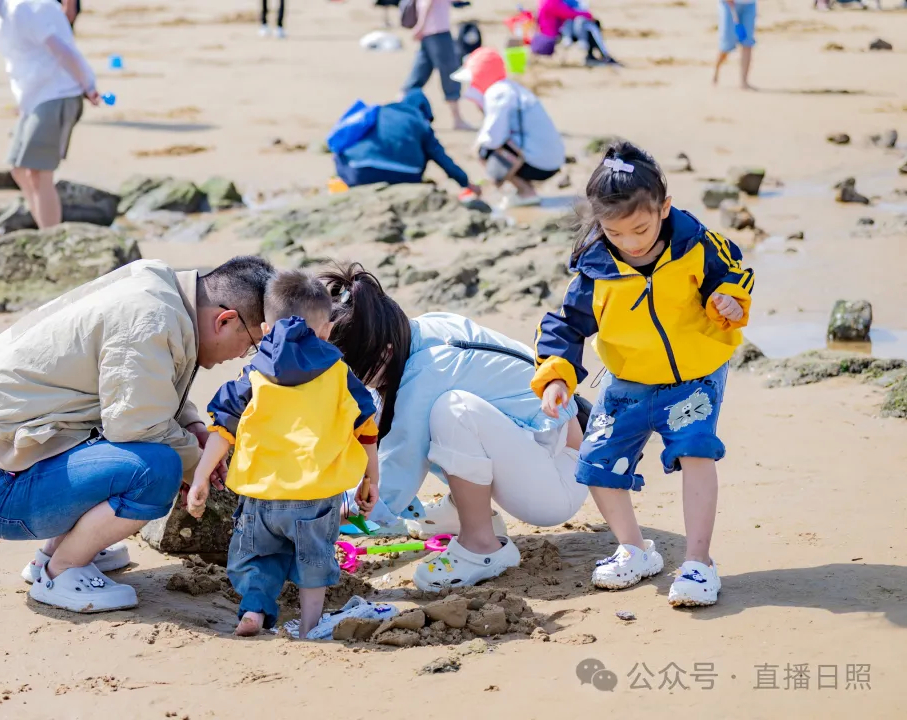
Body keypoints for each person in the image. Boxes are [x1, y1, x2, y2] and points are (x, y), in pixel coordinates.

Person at [0, 256, 276, 613]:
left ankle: (65, 546)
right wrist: (202, 467)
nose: (246, 355)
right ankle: (60, 572)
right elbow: (135, 425)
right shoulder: (150, 319)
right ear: (225, 320)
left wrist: (195, 428)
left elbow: (145, 386)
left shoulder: (160, 290)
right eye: (253, 343)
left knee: (159, 448)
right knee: (157, 467)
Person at [533, 141, 754, 608]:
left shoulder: (696, 243)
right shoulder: (595, 268)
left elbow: (733, 274)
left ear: (664, 208)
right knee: (596, 460)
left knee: (695, 449)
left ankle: (698, 562)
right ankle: (633, 549)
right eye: (616, 233)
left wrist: (730, 301)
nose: (631, 243)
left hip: (694, 373)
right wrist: (556, 377)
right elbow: (565, 324)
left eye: (641, 228)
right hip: (627, 380)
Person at [321, 264, 589, 592]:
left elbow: (392, 482)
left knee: (451, 412)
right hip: (542, 447)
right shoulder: (420, 331)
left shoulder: (424, 376)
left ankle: (482, 545)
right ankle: (467, 510)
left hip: (557, 483)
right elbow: (386, 438)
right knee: (420, 419)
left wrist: (318, 519)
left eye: (351, 376)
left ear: (383, 353)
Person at [187, 270, 380, 637]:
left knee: (258, 557)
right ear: (326, 330)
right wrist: (370, 480)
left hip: (261, 496)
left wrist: (200, 478)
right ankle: (309, 625)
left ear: (264, 327)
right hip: (316, 497)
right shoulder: (340, 374)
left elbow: (222, 427)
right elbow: (366, 428)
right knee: (313, 563)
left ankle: (255, 611)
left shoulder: (253, 374)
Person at [0, 0, 100, 229]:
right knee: (19, 170)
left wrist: (88, 85)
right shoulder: (4, 16)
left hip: (57, 94)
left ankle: (51, 238)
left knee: (38, 172)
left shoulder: (22, 8)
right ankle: (44, 229)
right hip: (35, 100)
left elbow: (61, 49)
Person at [452, 47, 566, 208]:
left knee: (484, 151)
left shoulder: (497, 93)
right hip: (551, 158)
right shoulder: (511, 87)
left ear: (480, 76)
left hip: (541, 164)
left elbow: (493, 138)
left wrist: (477, 149)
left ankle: (526, 192)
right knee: (499, 147)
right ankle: (524, 189)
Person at [333, 89, 479, 195]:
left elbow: (345, 140)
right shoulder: (420, 121)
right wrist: (466, 183)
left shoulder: (377, 112)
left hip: (360, 172)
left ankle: (342, 183)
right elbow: (441, 158)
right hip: (406, 175)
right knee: (424, 148)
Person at [404, 0, 473, 130]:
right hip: (438, 31)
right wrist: (420, 26)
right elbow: (428, 3)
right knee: (450, 75)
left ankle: (397, 111)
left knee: (417, 76)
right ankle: (457, 119)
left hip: (430, 32)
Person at [713, 0, 756, 90]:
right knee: (727, 44)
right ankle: (716, 70)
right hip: (728, 4)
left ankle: (744, 82)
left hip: (749, 4)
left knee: (747, 43)